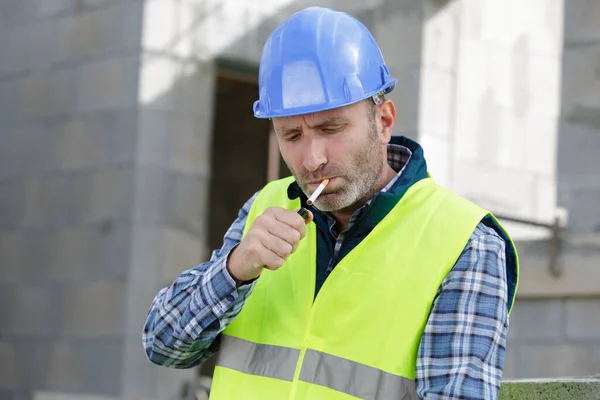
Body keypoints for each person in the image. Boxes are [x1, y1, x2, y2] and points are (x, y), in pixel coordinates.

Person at [143, 6, 519, 400]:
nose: (311, 158)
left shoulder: (466, 243)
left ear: (384, 121)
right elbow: (162, 344)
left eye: (331, 128)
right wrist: (235, 270)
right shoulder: (265, 206)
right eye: (291, 136)